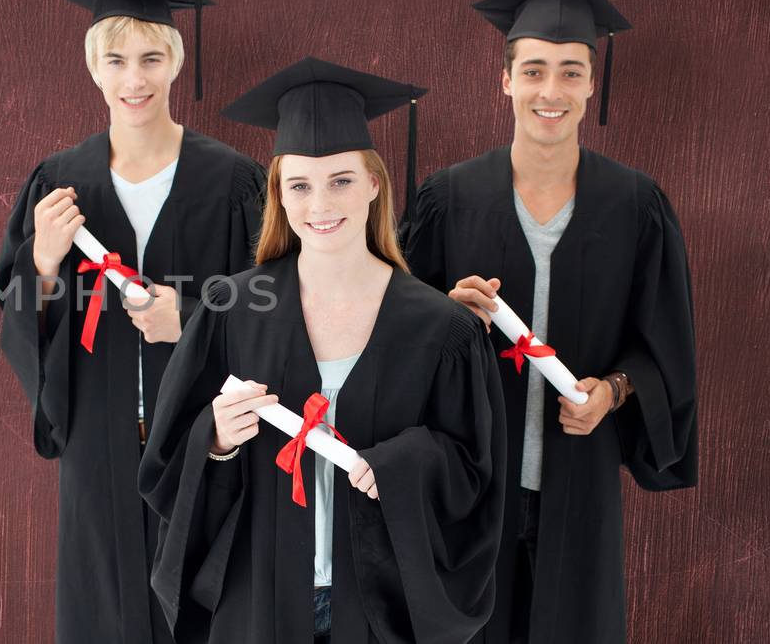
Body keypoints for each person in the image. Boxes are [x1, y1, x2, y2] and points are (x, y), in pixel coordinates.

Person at [140, 56, 506, 644]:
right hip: (259, 601)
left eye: (340, 180)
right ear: (280, 197)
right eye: (300, 185)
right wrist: (215, 439)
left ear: (373, 184)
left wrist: (397, 464)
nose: (321, 204)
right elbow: (166, 461)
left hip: (379, 611)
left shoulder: (440, 329)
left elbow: (475, 478)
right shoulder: (233, 309)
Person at [401, 0, 698, 644]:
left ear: (593, 82)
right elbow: (393, 336)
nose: (551, 90)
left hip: (578, 486)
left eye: (570, 71)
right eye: (534, 70)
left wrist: (615, 390)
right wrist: (447, 313)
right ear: (504, 80)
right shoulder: (449, 198)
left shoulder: (634, 206)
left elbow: (664, 348)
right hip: (472, 483)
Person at [0, 0, 266, 644]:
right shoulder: (61, 180)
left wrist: (193, 314)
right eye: (115, 59)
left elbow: (276, 306)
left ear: (175, 62)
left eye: (151, 57)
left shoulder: (232, 180)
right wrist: (45, 262)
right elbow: (15, 306)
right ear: (94, 69)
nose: (134, 78)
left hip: (203, 444)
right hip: (100, 447)